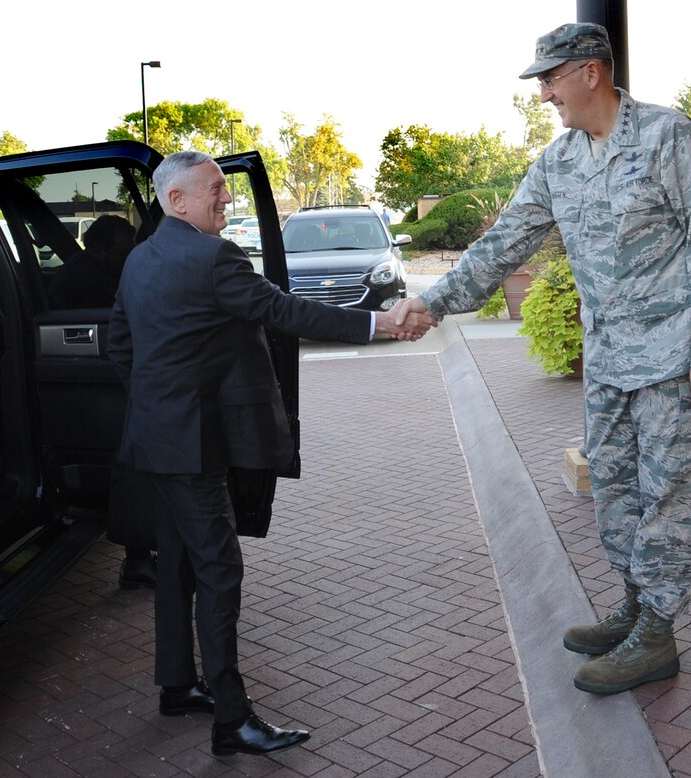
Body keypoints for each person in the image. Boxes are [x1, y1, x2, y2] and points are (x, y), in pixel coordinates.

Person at [394, 23, 691, 696]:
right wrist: (434, 302)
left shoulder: (669, 136)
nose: (544, 94)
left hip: (679, 360)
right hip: (612, 362)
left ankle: (657, 634)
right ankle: (636, 607)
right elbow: (504, 242)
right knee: (615, 492)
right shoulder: (559, 163)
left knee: (672, 496)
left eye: (550, 79)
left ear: (591, 72)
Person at [107, 151, 433, 756]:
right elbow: (284, 310)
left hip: (154, 441)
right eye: (214, 192)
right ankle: (232, 721)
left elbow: (118, 344)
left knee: (176, 561)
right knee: (218, 569)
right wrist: (379, 324)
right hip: (194, 448)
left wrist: (158, 403)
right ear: (176, 201)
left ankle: (178, 686)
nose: (225, 201)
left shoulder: (138, 259)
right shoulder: (212, 257)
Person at [47, 214, 159, 589]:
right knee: (136, 466)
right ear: (96, 250)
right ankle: (139, 557)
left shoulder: (89, 272)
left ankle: (140, 554)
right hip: (106, 395)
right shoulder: (89, 284)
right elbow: (120, 336)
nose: (132, 258)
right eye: (124, 251)